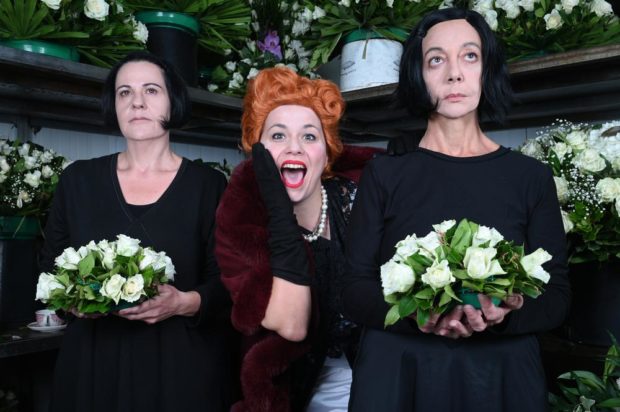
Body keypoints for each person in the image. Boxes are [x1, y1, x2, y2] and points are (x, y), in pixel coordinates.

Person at [342, 8, 571, 412]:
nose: (454, 74)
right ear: (418, 74)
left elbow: (556, 296)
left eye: (469, 56)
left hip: (501, 374)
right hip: (398, 372)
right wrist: (416, 315)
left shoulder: (530, 177)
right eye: (436, 60)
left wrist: (506, 313)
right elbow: (353, 290)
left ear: (487, 69)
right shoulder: (383, 174)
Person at [39, 51, 238, 411]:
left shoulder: (208, 186)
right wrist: (75, 300)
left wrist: (183, 302)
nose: (137, 102)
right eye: (124, 92)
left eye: (151, 90)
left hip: (179, 371)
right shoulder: (78, 181)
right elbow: (50, 269)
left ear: (173, 100)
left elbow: (228, 283)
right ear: (113, 105)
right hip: (93, 367)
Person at [214, 67, 379, 411]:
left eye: (309, 136)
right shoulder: (239, 221)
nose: (294, 148)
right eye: (277, 136)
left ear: (327, 152)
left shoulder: (362, 197)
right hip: (296, 393)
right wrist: (278, 209)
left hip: (378, 380)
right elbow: (292, 325)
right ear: (258, 152)